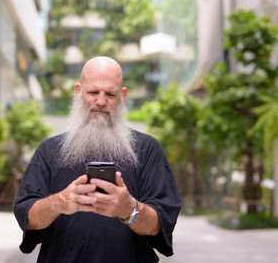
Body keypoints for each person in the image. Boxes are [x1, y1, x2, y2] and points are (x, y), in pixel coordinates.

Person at [14, 56, 181, 263]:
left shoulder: (147, 149)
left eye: (110, 94)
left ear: (123, 95)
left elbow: (162, 223)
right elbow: (27, 217)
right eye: (93, 92)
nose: (101, 102)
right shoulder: (49, 150)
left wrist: (129, 209)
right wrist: (59, 202)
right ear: (78, 91)